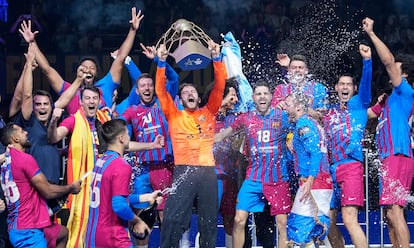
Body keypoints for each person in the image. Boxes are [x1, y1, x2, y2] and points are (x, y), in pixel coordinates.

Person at [155, 41, 226, 248]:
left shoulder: (209, 112)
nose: (189, 94)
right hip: (183, 170)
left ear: (198, 95)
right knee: (171, 219)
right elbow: (160, 90)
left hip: (207, 172)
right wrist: (161, 62)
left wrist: (216, 59)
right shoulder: (174, 114)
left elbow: (220, 86)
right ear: (180, 99)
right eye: (185, 93)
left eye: (192, 91)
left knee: (209, 221)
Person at [19, 8, 144, 115]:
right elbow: (46, 69)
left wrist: (132, 30)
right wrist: (32, 42)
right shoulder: (69, 90)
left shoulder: (106, 85)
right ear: (78, 70)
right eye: (84, 67)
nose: (88, 70)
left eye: (91, 68)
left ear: (96, 73)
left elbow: (121, 57)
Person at [215, 80, 291, 248]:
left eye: (265, 93)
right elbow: (221, 136)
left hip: (278, 179)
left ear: (271, 97)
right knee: (239, 219)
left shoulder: (282, 116)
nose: (262, 97)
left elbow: (300, 124)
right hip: (253, 179)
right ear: (253, 98)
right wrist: (201, 140)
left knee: (282, 223)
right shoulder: (246, 118)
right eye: (258, 94)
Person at [363, 17, 414, 248]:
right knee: (388, 214)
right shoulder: (387, 100)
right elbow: (366, 115)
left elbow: (388, 60)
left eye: (397, 70)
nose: (392, 72)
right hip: (387, 158)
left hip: (398, 154)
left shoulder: (405, 92)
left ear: (404, 76)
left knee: (395, 210)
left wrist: (372, 34)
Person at [47, 85, 111, 248]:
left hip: (104, 185)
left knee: (103, 229)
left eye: (94, 98)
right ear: (81, 102)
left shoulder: (105, 120)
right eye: (87, 98)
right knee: (79, 228)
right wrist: (54, 121)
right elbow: (54, 138)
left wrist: (151, 145)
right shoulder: (73, 120)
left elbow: (120, 144)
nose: (91, 101)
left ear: (99, 101)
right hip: (82, 189)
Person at [322, 43, 372, 248]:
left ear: (354, 88)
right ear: (336, 88)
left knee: (349, 218)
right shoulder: (329, 112)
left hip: (351, 165)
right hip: (331, 169)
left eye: (348, 84)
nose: (344, 87)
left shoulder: (360, 104)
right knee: (328, 221)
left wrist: (367, 61)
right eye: (341, 84)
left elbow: (367, 82)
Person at [0, 122, 82, 248]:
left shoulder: (6, 161)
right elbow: (48, 191)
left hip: (20, 225)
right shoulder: (24, 159)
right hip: (27, 231)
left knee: (62, 233)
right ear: (15, 138)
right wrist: (70, 188)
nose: (26, 133)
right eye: (22, 131)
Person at [85, 119, 164, 248]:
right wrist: (137, 220)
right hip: (112, 238)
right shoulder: (121, 165)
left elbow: (111, 198)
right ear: (121, 138)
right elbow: (118, 205)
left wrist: (146, 197)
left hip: (92, 237)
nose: (129, 136)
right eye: (128, 133)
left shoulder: (101, 161)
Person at [120, 70, 176, 247]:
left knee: (163, 215)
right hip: (142, 170)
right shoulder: (132, 111)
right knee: (140, 216)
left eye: (149, 85)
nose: (147, 88)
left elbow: (174, 79)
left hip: (163, 167)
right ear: (136, 91)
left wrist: (161, 61)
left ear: (154, 88)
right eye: (142, 86)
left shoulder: (163, 104)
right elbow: (117, 127)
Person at [284, 93, 333, 246]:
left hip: (314, 182)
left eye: (288, 104)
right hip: (318, 181)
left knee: (298, 229)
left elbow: (315, 153)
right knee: (311, 232)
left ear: (298, 106)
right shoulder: (309, 123)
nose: (286, 108)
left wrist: (310, 180)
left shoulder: (303, 124)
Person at [271, 53, 327, 118]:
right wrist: (278, 107)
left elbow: (323, 114)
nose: (297, 70)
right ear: (289, 71)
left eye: (300, 68)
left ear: (306, 71)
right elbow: (272, 112)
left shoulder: (318, 88)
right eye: (294, 68)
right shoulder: (280, 88)